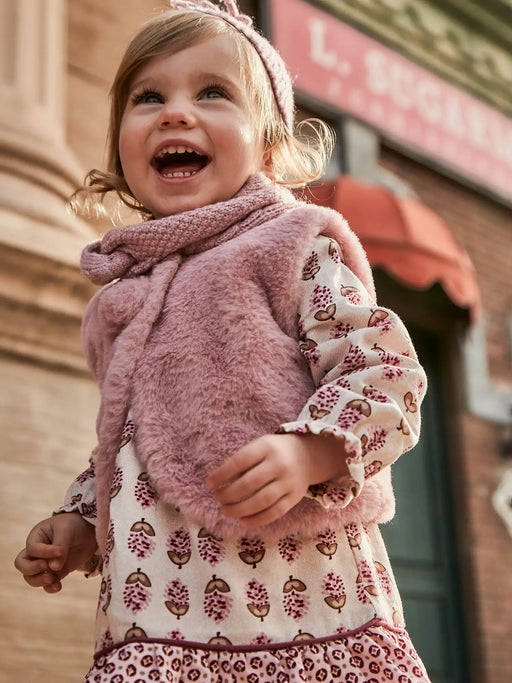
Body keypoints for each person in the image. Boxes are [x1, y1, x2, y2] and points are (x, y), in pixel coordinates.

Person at [14, 1, 431, 681]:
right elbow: (131, 436)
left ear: (269, 145)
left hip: (303, 603)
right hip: (158, 622)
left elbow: (385, 375)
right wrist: (84, 520)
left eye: (212, 92)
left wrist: (312, 450)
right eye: (148, 96)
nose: (176, 112)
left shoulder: (291, 246)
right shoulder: (124, 296)